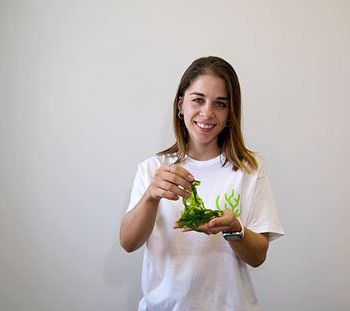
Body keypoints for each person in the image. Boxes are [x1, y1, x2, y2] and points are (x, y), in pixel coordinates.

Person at [120, 56, 284, 311]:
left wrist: (233, 227)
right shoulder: (153, 169)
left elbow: (258, 257)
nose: (207, 112)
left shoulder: (248, 169)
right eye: (198, 99)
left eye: (220, 103)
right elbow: (128, 243)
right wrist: (151, 195)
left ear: (230, 113)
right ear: (180, 105)